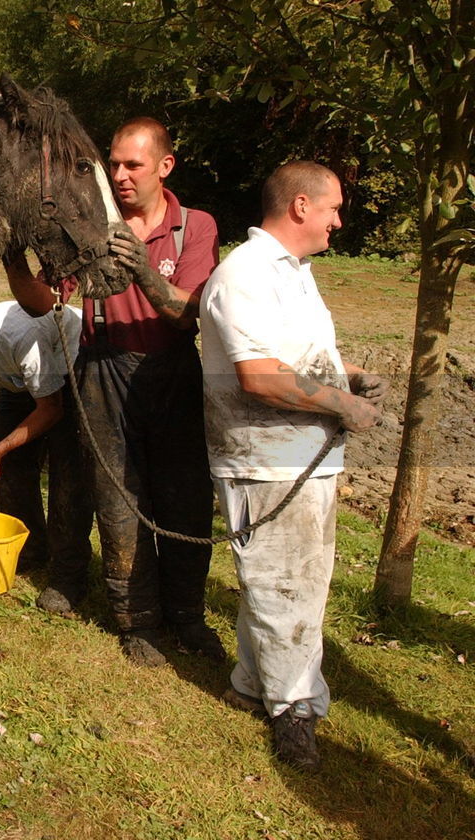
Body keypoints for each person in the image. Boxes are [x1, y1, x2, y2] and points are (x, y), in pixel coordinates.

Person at [7, 117, 223, 666]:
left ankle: (187, 616)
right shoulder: (92, 226)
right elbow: (42, 302)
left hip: (170, 369)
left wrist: (146, 273)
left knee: (184, 500)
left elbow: (186, 316)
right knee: (116, 500)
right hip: (101, 368)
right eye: (115, 165)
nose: (121, 176)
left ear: (165, 166)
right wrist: (12, 258)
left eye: (134, 165)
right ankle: (137, 620)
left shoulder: (193, 227)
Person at [200, 161, 384, 768]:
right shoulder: (247, 274)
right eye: (332, 208)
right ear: (300, 206)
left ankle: (253, 687)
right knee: (288, 588)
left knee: (281, 585)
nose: (338, 221)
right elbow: (257, 375)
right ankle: (294, 709)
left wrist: (348, 373)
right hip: (269, 460)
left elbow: (290, 353)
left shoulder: (293, 273)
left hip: (299, 456)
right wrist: (343, 405)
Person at [0, 298, 93, 589]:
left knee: (68, 474)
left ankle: (68, 575)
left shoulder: (19, 334)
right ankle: (29, 550)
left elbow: (51, 408)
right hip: (16, 379)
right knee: (9, 469)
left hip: (70, 365)